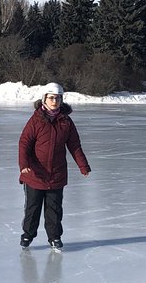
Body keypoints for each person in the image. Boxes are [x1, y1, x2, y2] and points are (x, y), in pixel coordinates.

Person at [18, 83, 91, 250]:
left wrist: (83, 165)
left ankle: (54, 237)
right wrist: (24, 165)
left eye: (57, 98)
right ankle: (28, 235)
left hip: (56, 174)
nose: (54, 101)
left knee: (54, 209)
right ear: (44, 99)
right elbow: (24, 144)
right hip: (35, 174)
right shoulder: (36, 120)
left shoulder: (66, 122)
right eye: (51, 98)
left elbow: (74, 145)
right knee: (32, 208)